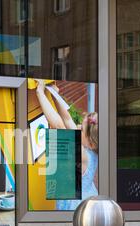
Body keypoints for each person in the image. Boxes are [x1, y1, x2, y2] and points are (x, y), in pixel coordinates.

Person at [35, 79, 99, 211]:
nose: (78, 126)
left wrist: (40, 92)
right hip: (88, 199)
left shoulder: (83, 154)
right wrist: (54, 94)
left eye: (81, 129)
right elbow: (67, 119)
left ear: (91, 143)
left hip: (76, 207)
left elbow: (59, 125)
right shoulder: (88, 147)